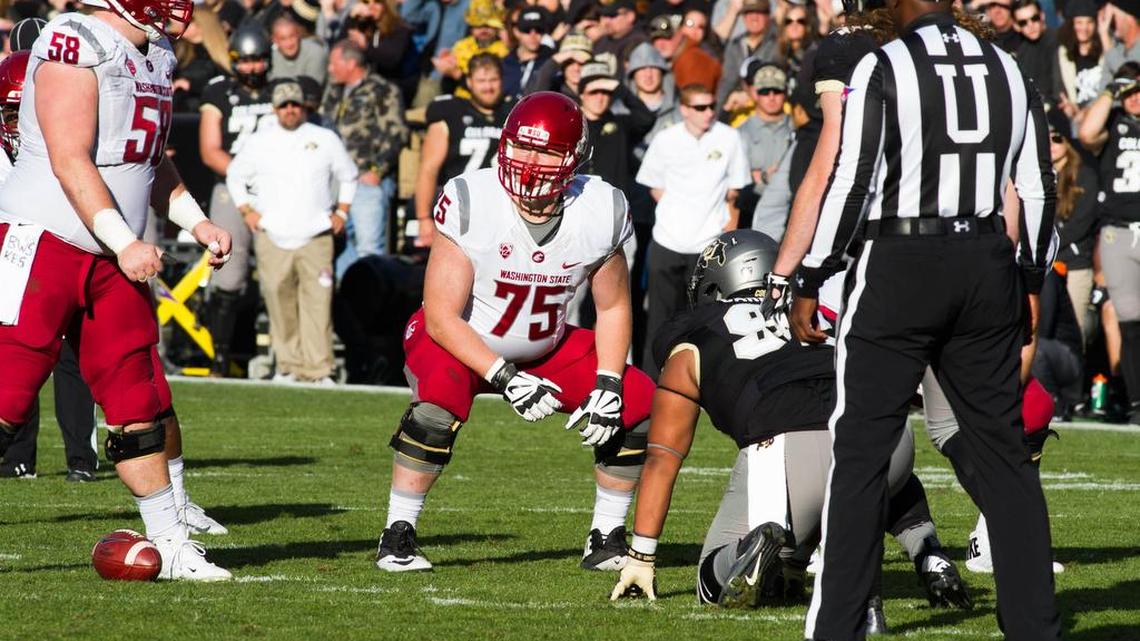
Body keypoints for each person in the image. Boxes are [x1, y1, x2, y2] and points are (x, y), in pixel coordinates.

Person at [786, 0, 1060, 637]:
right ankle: (1034, 627)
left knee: (860, 452)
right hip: (986, 258)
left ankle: (839, 627)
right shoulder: (1007, 67)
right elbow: (1038, 184)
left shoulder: (886, 64)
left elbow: (852, 180)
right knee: (1004, 456)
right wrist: (1029, 278)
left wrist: (810, 273)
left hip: (900, 259)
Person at [609, 230, 969, 622]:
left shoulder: (691, 338)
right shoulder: (810, 311)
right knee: (874, 470)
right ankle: (928, 552)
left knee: (712, 581)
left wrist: (641, 556)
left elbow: (663, 459)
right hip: (888, 435)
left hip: (788, 446)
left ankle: (757, 545)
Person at [375, 92, 655, 574]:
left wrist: (608, 383)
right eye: (522, 147)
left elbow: (612, 307)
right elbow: (441, 316)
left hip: (547, 343)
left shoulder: (600, 207)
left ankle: (605, 535)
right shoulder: (473, 198)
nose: (530, 163)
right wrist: (505, 377)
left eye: (546, 152)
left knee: (637, 398)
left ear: (574, 156)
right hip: (460, 340)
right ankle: (398, 532)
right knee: (437, 405)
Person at [0, 0, 232, 580]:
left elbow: (146, 161)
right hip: (46, 240)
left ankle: (172, 543)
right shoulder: (71, 39)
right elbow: (69, 158)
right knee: (6, 397)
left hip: (114, 253)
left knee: (137, 398)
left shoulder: (155, 51)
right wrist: (125, 241)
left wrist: (195, 222)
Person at [227, 80, 358, 384]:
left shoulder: (324, 138)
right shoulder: (259, 140)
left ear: (304, 107)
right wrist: (247, 211)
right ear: (274, 109)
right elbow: (235, 177)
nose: (289, 110)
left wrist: (342, 212)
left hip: (316, 234)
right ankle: (287, 365)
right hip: (272, 233)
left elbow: (349, 176)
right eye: (283, 105)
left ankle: (319, 369)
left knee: (318, 302)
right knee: (277, 298)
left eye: (295, 105)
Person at [635, 83, 750, 378]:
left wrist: (723, 222)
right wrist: (679, 211)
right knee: (660, 320)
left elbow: (735, 189)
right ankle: (650, 384)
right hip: (668, 241)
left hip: (709, 246)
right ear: (684, 110)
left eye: (712, 106)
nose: (708, 113)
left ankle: (705, 384)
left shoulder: (729, 137)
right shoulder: (665, 139)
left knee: (707, 321)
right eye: (700, 107)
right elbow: (654, 186)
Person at [199, 24, 276, 377]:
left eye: (258, 60)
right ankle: (219, 358)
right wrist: (248, 177)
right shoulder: (219, 92)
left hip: (277, 192)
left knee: (279, 274)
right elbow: (210, 150)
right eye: (245, 61)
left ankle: (277, 357)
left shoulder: (280, 92)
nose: (252, 68)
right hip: (232, 188)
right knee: (228, 276)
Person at [1078, 62, 1140, 426]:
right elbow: (1086, 132)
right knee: (1129, 319)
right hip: (1117, 231)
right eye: (1128, 93)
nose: (1134, 99)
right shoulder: (1113, 124)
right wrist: (1110, 91)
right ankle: (1135, 401)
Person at [321, 39, 407, 277]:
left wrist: (376, 171)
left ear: (350, 63)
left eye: (333, 63)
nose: (329, 69)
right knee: (338, 248)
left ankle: (374, 310)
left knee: (369, 252)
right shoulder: (333, 91)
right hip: (334, 182)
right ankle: (348, 306)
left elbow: (397, 133)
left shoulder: (383, 89)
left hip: (365, 182)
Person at [414, 53, 512, 249]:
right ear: (469, 82)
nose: (488, 87)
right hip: (457, 207)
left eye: (493, 80)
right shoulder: (451, 110)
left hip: (500, 207)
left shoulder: (513, 112)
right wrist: (423, 218)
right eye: (481, 81)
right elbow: (429, 168)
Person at [716, 0, 778, 108]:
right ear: (743, 17)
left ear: (768, 16)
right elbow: (726, 84)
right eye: (749, 12)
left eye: (759, 12)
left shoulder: (779, 45)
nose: (754, 17)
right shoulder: (734, 46)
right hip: (737, 108)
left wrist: (751, 95)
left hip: (769, 106)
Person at [1012, 0, 1061, 107]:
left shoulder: (1059, 40)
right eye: (1023, 22)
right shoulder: (1021, 53)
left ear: (1042, 16)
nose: (1030, 25)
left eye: (1034, 18)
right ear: (1016, 26)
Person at [502, 5, 554, 98]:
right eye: (527, 30)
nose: (533, 35)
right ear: (516, 32)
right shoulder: (506, 63)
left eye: (539, 30)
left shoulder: (551, 62)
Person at [269, 14, 328, 85]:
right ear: (274, 40)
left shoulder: (315, 53)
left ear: (298, 35)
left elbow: (312, 88)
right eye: (283, 39)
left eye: (292, 36)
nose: (289, 43)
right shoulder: (272, 56)